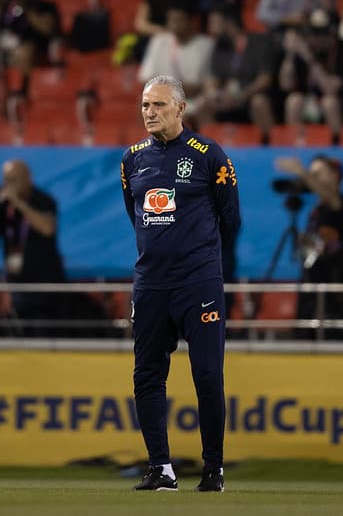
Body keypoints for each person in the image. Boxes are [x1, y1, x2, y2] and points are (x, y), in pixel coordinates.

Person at [120, 75, 240, 492]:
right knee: (146, 375)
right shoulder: (132, 159)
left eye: (158, 105)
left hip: (199, 283)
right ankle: (161, 469)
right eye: (144, 106)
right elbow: (135, 216)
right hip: (151, 284)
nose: (149, 113)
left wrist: (201, 261)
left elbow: (231, 220)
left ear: (180, 109)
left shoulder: (210, 156)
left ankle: (213, 469)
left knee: (207, 375)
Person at [0, 159, 66, 336]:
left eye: (15, 179)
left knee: (44, 332)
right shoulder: (0, 199)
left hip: (44, 283)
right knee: (17, 334)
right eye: (6, 179)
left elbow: (47, 228)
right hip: (16, 282)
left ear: (28, 177)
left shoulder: (42, 200)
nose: (10, 184)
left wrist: (18, 203)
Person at [275, 155, 343, 338]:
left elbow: (332, 198)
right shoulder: (318, 207)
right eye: (311, 172)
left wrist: (302, 172)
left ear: (335, 176)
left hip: (336, 275)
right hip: (315, 271)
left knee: (334, 324)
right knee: (307, 314)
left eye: (318, 172)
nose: (312, 176)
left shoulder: (342, 202)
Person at [198, 6, 278, 140]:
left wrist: (241, 95)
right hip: (228, 97)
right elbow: (213, 79)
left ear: (229, 23)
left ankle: (270, 147)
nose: (210, 28)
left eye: (214, 23)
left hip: (251, 95)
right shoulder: (219, 47)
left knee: (259, 102)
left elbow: (265, 79)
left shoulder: (260, 42)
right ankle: (210, 151)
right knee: (203, 104)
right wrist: (216, 94)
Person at [280, 9, 343, 137]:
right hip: (310, 102)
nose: (315, 38)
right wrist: (290, 55)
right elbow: (285, 85)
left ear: (332, 34)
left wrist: (310, 59)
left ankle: (337, 148)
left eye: (321, 34)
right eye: (312, 33)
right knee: (293, 101)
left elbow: (330, 88)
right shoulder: (303, 50)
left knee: (329, 103)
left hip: (341, 104)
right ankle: (295, 147)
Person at [137, 2, 214, 123]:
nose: (173, 24)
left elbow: (208, 83)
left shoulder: (206, 45)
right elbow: (146, 80)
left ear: (191, 21)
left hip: (196, 100)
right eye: (170, 20)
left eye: (178, 20)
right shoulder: (159, 42)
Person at [256, 0, 338, 33]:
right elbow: (261, 14)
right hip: (279, 32)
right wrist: (287, 18)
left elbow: (328, 16)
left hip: (308, 32)